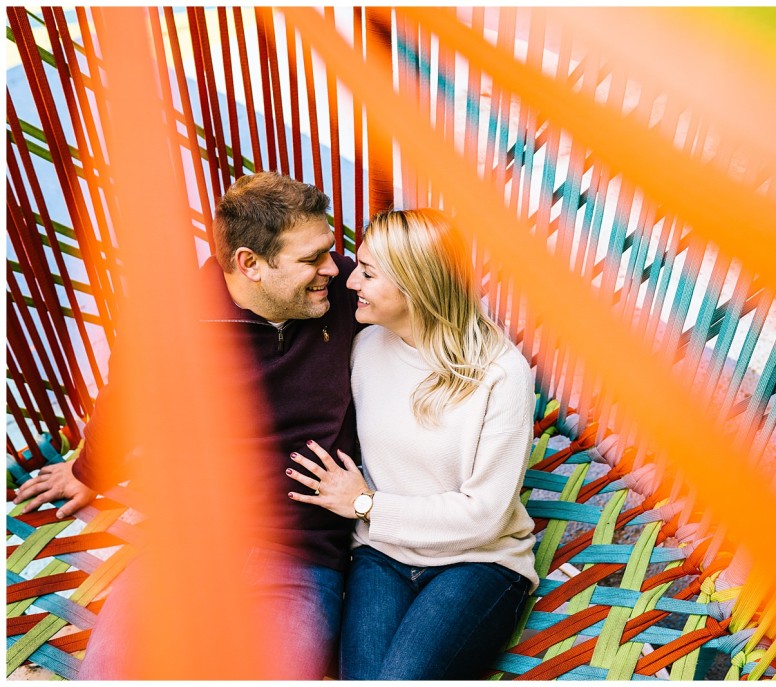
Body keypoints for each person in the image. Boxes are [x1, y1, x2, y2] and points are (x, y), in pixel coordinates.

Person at [13, 172, 360, 680]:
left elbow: (432, 311)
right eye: (311, 259)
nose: (334, 267)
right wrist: (88, 472)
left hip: (300, 559)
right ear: (250, 264)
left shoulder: (349, 294)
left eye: (330, 249)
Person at [286, 208, 538, 680]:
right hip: (381, 555)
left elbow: (483, 514)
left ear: (415, 284)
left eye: (367, 272)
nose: (349, 281)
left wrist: (365, 505)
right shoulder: (363, 348)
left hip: (477, 561)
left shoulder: (502, 375)